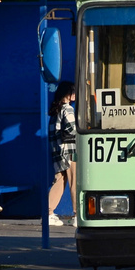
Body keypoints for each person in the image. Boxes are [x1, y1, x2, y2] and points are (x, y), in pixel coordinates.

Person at [47, 81, 77, 227]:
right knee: (75, 182)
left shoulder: (55, 111)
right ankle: (78, 215)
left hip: (58, 152)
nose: (75, 94)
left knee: (59, 181)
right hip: (70, 151)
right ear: (68, 94)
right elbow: (72, 129)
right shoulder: (68, 109)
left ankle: (48, 213)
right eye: (73, 91)